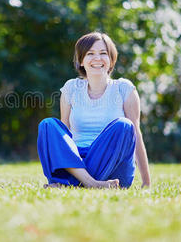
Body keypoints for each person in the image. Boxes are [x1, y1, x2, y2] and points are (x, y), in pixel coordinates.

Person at [37, 32, 151, 189]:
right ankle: (91, 183)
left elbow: (136, 135)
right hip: (77, 163)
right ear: (81, 61)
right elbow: (64, 136)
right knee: (48, 125)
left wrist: (146, 182)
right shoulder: (71, 88)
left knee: (125, 126)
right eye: (90, 53)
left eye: (103, 53)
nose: (97, 58)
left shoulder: (124, 88)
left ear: (111, 60)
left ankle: (73, 183)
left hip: (114, 167)